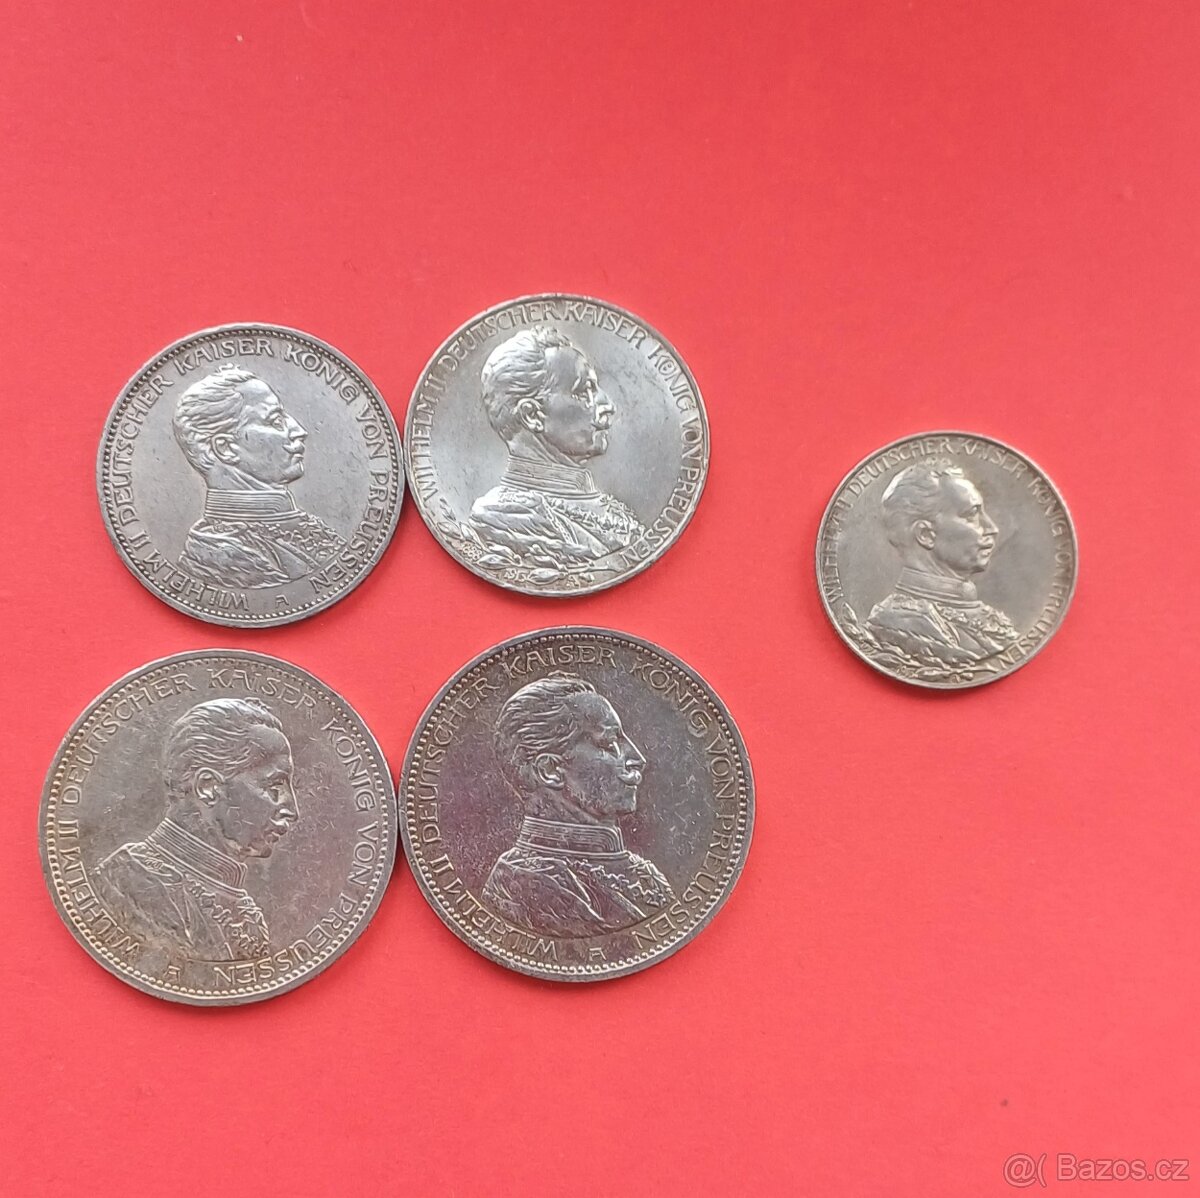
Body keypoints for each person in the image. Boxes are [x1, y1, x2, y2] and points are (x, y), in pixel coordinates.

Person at [91, 698, 299, 961]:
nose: (292, 810)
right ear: (208, 787)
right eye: (274, 786)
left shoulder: (238, 903)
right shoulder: (130, 881)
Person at [482, 673, 675, 937]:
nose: (638, 759)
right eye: (609, 742)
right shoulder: (529, 883)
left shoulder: (641, 871)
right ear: (550, 770)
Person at [467, 327, 646, 570]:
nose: (607, 405)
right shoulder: (504, 517)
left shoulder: (606, 507)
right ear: (532, 415)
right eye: (583, 391)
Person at [172, 365, 344, 588]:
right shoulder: (221, 554)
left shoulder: (294, 526)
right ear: (226, 448)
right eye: (275, 421)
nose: (299, 430)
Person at [867, 460, 1018, 667]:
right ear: (925, 534)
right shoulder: (897, 622)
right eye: (971, 514)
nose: (992, 528)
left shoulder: (980, 613)